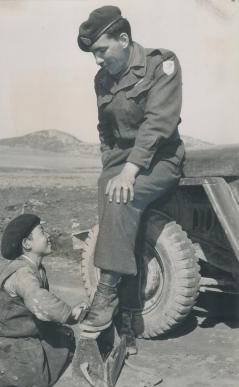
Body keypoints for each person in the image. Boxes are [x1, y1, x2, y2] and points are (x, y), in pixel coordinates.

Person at [77, 6, 185, 354]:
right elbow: (105, 130)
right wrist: (111, 166)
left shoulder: (161, 63)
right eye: (94, 54)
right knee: (110, 194)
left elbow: (159, 123)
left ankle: (107, 296)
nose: (97, 60)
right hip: (122, 161)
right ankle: (126, 323)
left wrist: (129, 170)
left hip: (159, 159)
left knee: (122, 196)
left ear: (123, 40)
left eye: (101, 51)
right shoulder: (102, 80)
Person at [0, 214, 86, 387]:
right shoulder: (22, 273)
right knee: (32, 374)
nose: (48, 236)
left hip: (23, 331)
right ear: (27, 244)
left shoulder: (37, 269)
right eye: (42, 232)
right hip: (3, 338)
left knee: (64, 338)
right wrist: (69, 314)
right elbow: (39, 300)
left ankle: (10, 358)